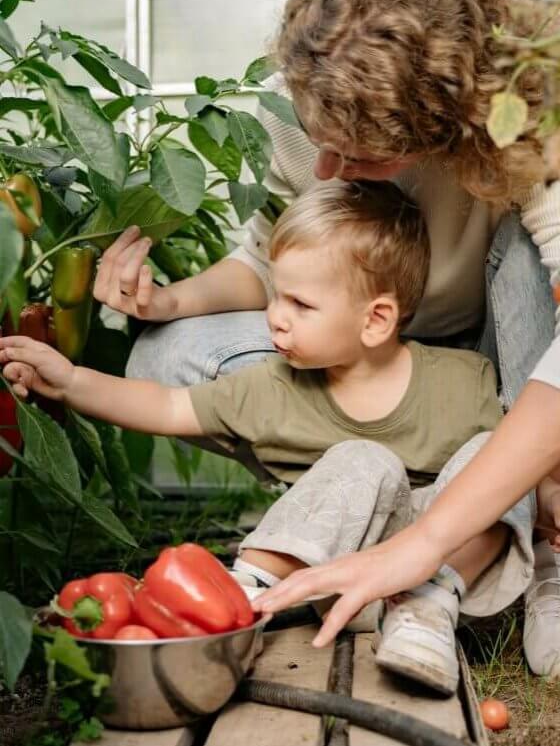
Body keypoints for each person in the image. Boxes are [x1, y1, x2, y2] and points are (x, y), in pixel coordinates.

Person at [93, 0, 560, 673]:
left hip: (496, 363)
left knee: (533, 261)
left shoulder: (525, 116)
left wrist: (426, 545)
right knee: (167, 351)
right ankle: (369, 501)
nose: (325, 173)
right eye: (323, 144)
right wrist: (168, 298)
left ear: (441, 126)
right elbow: (265, 262)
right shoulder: (304, 101)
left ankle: (533, 528)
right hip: (371, 361)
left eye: (361, 157)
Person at [0, 180, 533, 697]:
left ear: (376, 320)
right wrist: (70, 381)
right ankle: (244, 594)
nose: (273, 318)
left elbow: (528, 459)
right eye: (276, 295)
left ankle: (423, 610)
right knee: (361, 458)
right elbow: (166, 404)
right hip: (329, 572)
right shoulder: (272, 387)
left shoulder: (463, 382)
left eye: (299, 305)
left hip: (436, 574)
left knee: (501, 453)